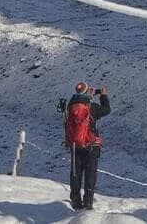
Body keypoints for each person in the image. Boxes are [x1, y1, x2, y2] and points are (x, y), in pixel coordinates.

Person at [64, 82, 110, 210]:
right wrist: (102, 95)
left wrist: (88, 95)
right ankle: (88, 202)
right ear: (87, 92)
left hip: (75, 145)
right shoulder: (92, 107)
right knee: (90, 174)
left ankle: (75, 201)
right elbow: (107, 110)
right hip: (91, 145)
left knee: (75, 173)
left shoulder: (70, 107)